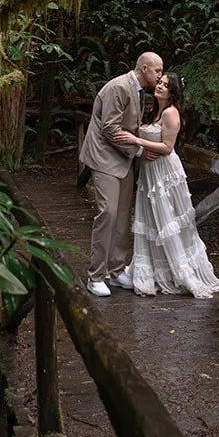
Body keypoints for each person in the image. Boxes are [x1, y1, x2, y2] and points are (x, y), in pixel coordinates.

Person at [114, 72, 219, 299]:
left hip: (165, 172)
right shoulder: (153, 110)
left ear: (172, 92)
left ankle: (183, 272)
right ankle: (150, 271)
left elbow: (166, 147)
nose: (160, 87)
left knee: (169, 221)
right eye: (160, 83)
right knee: (151, 221)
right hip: (149, 173)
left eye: (165, 85)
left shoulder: (170, 113)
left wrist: (135, 140)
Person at [79, 50, 164, 297]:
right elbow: (109, 129)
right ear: (144, 68)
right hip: (104, 157)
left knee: (123, 215)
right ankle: (95, 276)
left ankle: (115, 270)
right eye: (158, 70)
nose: (160, 76)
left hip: (122, 159)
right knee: (108, 213)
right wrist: (138, 151)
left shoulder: (139, 89)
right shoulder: (119, 87)